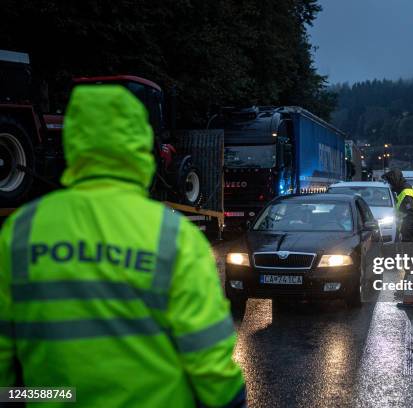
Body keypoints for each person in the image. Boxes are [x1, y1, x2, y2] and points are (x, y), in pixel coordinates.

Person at [0, 85, 246, 407]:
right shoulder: (173, 236)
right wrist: (231, 400)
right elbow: (209, 360)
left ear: (73, 139)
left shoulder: (21, 231)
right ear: (140, 144)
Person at [383, 169, 413, 242]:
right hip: (409, 231)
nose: (390, 185)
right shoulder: (403, 190)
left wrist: (405, 233)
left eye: (390, 183)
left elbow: (411, 215)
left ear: (394, 181)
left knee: (408, 253)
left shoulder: (406, 193)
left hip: (410, 233)